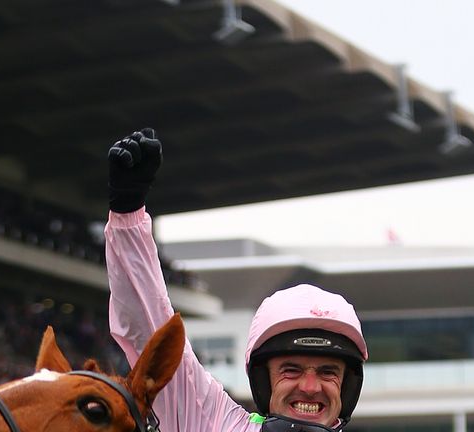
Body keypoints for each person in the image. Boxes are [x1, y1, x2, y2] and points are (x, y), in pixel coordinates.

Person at [105, 129, 369, 432]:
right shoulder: (214, 423)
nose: (310, 387)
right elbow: (149, 330)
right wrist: (128, 213)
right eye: (291, 370)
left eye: (328, 372)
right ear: (262, 380)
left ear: (347, 387)